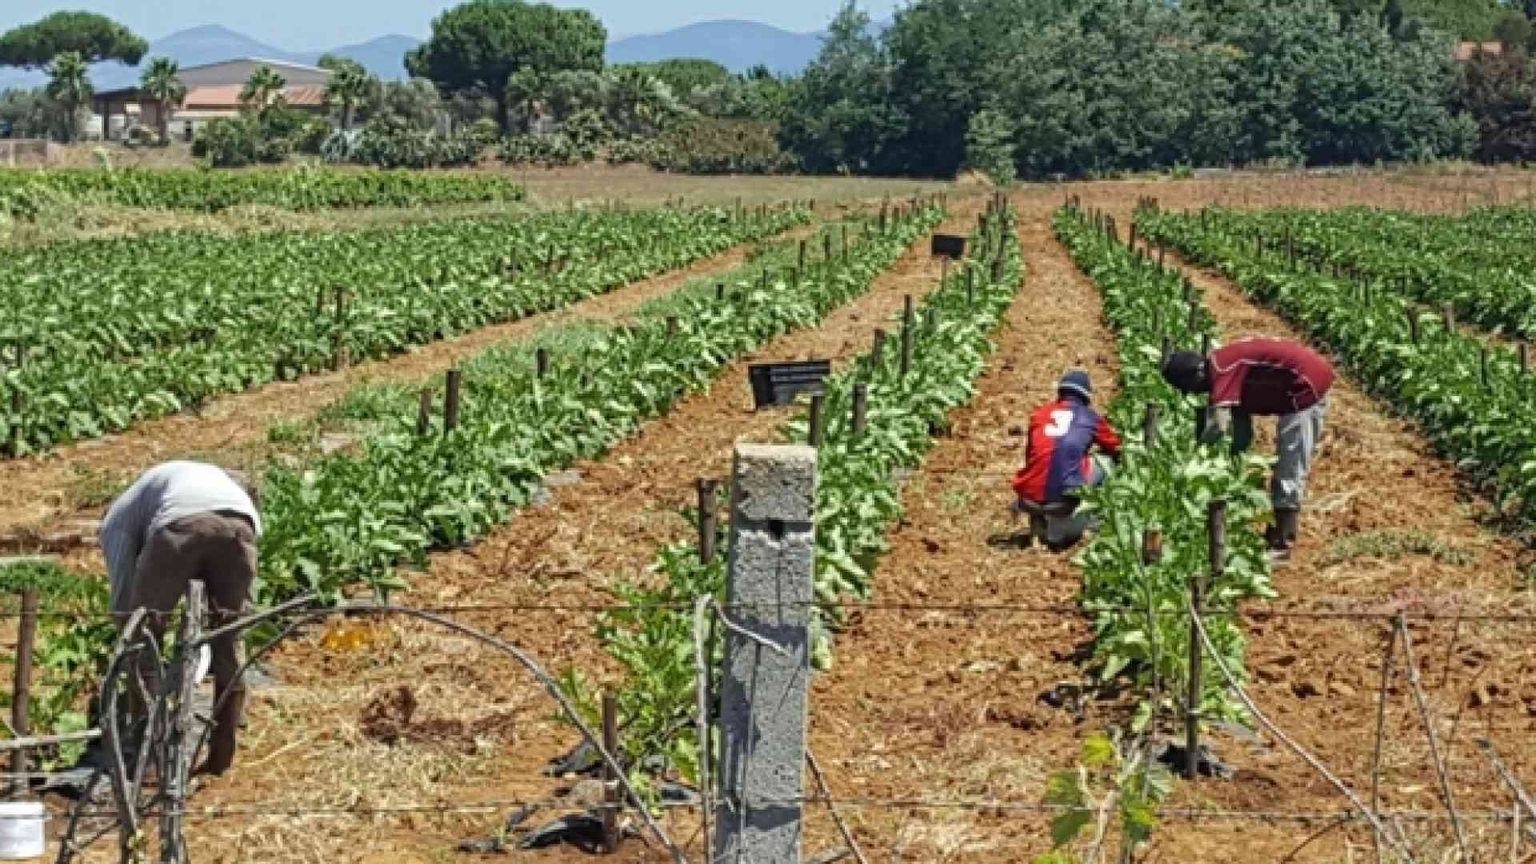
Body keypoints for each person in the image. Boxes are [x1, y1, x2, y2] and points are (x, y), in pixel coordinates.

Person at [99, 461, 262, 777]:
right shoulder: (175, 483)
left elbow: (123, 600)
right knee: (229, 642)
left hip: (179, 524)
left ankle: (149, 760)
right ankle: (221, 758)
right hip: (242, 523)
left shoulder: (114, 521)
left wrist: (129, 628)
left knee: (142, 643)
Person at [1161, 338, 1335, 563]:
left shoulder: (1222, 370)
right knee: (1284, 466)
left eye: (1191, 389)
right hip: (1301, 382)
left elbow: (1219, 426)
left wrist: (1196, 461)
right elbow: (1242, 433)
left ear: (1195, 376)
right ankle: (1273, 534)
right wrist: (1237, 465)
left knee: (1289, 466)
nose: (1196, 395)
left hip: (1305, 388)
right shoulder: (1229, 374)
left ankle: (1283, 542)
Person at [1012, 370, 1123, 531]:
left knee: (1043, 462)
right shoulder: (1091, 418)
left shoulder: (1039, 414)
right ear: (1086, 397)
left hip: (1029, 499)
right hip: (1064, 501)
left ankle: (1038, 520)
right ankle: (1095, 519)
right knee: (1107, 461)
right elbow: (1116, 447)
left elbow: (1030, 456)